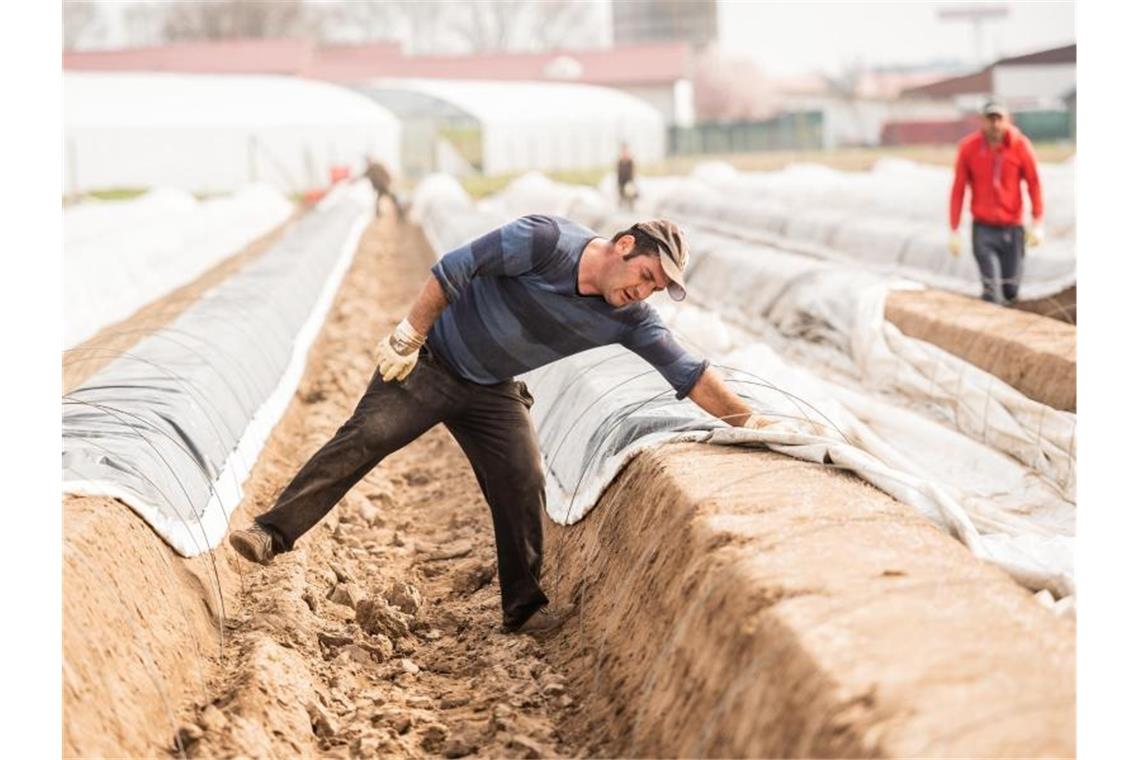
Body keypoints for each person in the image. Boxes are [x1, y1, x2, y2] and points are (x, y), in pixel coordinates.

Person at [229, 216, 771, 634]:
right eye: (646, 276)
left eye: (655, 290)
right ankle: (271, 532)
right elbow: (453, 267)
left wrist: (753, 425)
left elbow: (690, 373)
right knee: (366, 437)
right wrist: (408, 335)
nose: (643, 291)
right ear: (625, 246)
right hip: (431, 363)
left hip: (493, 391)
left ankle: (523, 607)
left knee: (522, 479)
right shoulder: (544, 241)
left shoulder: (626, 316)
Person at [948, 100, 1045, 305]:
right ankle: (991, 320)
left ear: (1006, 120)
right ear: (982, 121)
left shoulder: (1020, 146)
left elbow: (1034, 183)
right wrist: (954, 229)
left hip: (1012, 228)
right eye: (990, 119)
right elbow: (958, 189)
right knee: (992, 289)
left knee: (1010, 289)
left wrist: (1037, 222)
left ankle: (1008, 324)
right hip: (984, 229)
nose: (995, 125)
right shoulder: (969, 148)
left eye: (999, 119)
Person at [616, 143, 637, 210]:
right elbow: (618, 173)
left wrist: (631, 182)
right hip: (621, 181)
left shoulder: (630, 161)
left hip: (629, 181)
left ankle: (631, 207)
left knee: (630, 194)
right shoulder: (619, 161)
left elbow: (632, 172)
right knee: (621, 195)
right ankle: (621, 207)